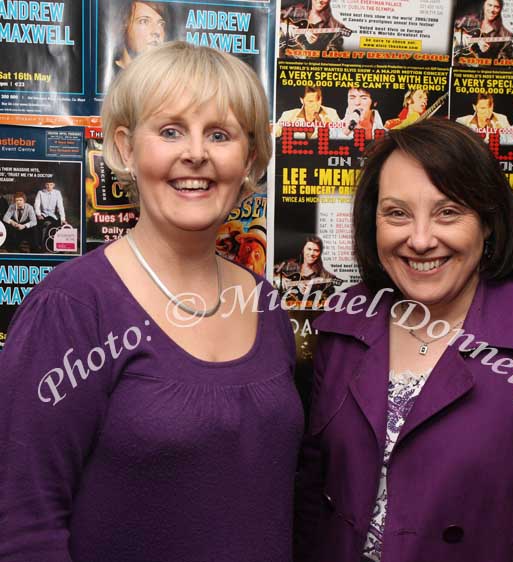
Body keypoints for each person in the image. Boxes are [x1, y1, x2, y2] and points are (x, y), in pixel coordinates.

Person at [0, 42, 303, 562]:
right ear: (124, 147)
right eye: (169, 131)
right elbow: (24, 527)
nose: (196, 154)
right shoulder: (72, 308)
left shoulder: (265, 304)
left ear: (249, 158)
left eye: (220, 134)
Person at [294, 119, 513, 562]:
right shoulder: (344, 323)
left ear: (488, 223)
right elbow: (312, 490)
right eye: (397, 213)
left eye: (448, 212)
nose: (420, 240)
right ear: (371, 221)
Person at [274, 235, 337, 307]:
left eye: (316, 250)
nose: (311, 253)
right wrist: (278, 278)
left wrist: (311, 293)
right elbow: (268, 270)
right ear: (303, 249)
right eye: (309, 249)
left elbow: (327, 303)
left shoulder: (326, 276)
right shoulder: (288, 265)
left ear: (320, 253)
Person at [113, 1, 168, 71]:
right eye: (144, 21)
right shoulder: (100, 76)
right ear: (123, 26)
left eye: (161, 24)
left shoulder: (167, 75)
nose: (157, 31)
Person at [280, 0, 346, 55]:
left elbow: (335, 56)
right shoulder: (295, 11)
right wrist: (282, 24)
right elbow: (275, 15)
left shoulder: (336, 26)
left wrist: (316, 44)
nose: (320, 1)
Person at [275, 86, 340, 139]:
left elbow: (342, 137)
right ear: (302, 100)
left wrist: (332, 130)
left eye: (318, 100)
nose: (316, 105)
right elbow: (273, 132)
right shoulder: (289, 115)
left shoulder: (332, 114)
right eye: (311, 101)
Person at [34, 180, 66, 252]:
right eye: (47, 184)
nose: (49, 186)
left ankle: (50, 245)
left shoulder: (57, 193)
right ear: (45, 185)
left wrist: (63, 218)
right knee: (38, 227)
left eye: (51, 184)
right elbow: (37, 204)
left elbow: (60, 206)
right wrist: (38, 214)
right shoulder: (40, 192)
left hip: (52, 215)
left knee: (56, 226)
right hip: (43, 214)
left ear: (54, 185)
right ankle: (40, 246)